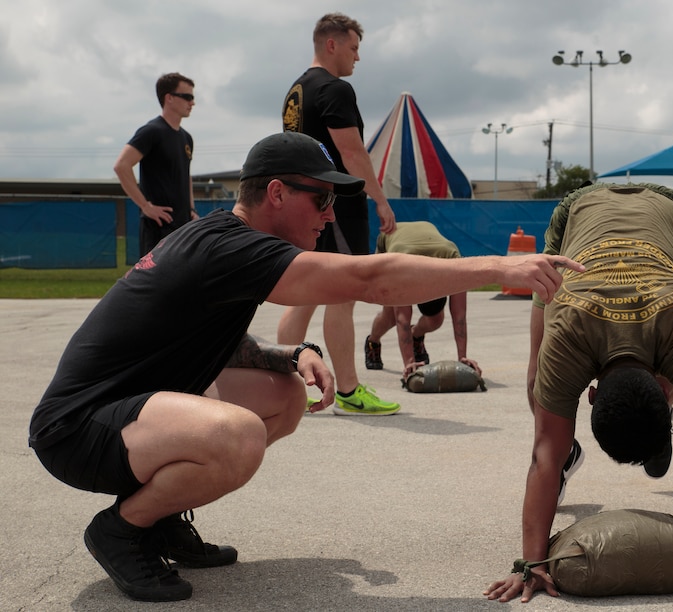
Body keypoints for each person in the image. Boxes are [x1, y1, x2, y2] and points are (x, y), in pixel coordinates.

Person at [29, 131, 580, 602]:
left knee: (283, 393)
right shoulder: (229, 246)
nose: (330, 213)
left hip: (121, 418)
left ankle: (161, 520)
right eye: (319, 198)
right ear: (275, 192)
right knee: (238, 435)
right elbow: (371, 280)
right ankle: (122, 529)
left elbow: (212, 342)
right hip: (80, 432)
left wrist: (290, 354)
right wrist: (502, 266)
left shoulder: (223, 243)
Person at [484, 183, 673, 603]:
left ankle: (576, 438)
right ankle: (567, 449)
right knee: (536, 369)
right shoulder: (569, 340)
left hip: (670, 217)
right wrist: (530, 565)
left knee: (546, 433)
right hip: (582, 216)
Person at [277, 12, 399, 416]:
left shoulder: (296, 90)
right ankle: (348, 390)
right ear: (332, 44)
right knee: (343, 293)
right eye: (353, 47)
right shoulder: (335, 88)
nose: (357, 58)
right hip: (336, 204)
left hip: (303, 202)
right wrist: (380, 200)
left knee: (305, 294)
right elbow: (351, 152)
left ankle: (282, 381)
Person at [364, 221, 481, 380]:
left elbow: (459, 316)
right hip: (392, 241)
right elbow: (402, 319)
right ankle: (373, 342)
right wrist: (409, 363)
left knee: (435, 319)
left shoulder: (453, 261)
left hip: (427, 236)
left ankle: (416, 336)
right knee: (390, 316)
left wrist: (462, 358)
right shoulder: (402, 265)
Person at [113, 72, 199, 256]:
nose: (192, 103)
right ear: (169, 98)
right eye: (187, 97)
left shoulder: (186, 138)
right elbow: (121, 166)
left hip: (183, 226)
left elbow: (186, 175)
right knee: (156, 284)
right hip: (159, 228)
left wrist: (191, 210)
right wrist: (145, 206)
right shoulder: (152, 131)